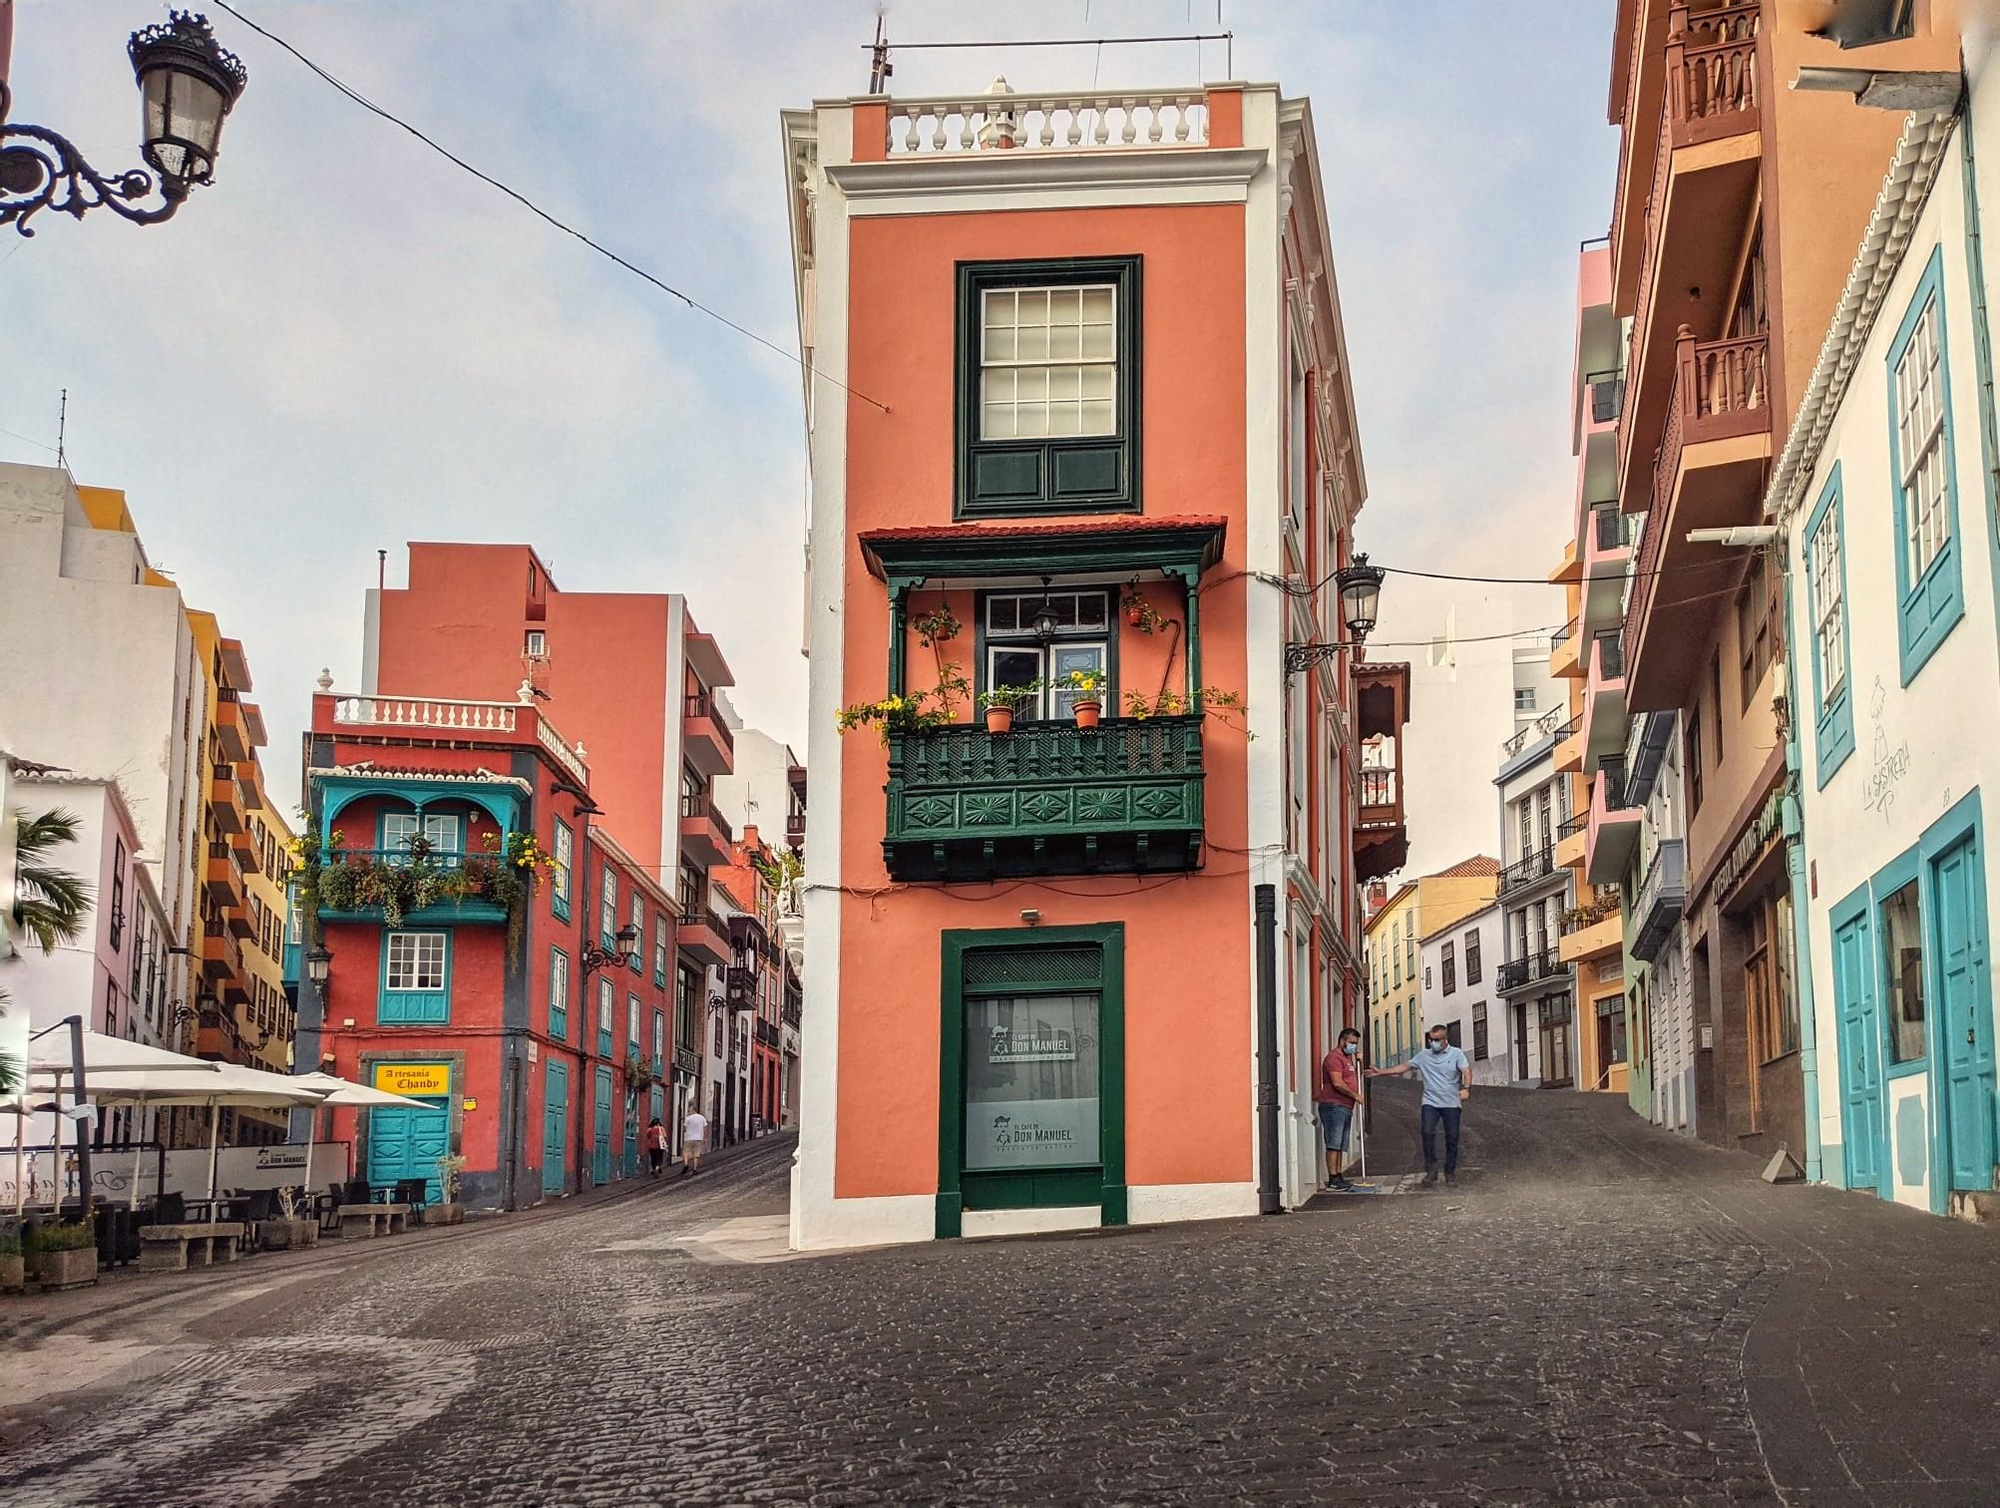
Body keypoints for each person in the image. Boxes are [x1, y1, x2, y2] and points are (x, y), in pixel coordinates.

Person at [1366, 1024, 1471, 1187]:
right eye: (1431, 1039)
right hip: (1430, 1102)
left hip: (1451, 1102)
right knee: (1427, 1132)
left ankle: (1450, 1172)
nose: (1433, 1043)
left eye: (1436, 1040)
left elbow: (1466, 1072)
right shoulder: (1424, 1056)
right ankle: (1431, 1170)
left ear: (1445, 1040)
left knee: (1452, 1137)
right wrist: (1381, 1072)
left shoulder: (1457, 1054)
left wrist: (1466, 1088)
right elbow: (1405, 1066)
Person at [1315, 1026, 1364, 1191]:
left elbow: (1352, 1076)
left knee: (1341, 1143)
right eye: (1351, 1043)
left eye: (1356, 1043)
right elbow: (1337, 1082)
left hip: (1344, 1106)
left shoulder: (1348, 1059)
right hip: (1333, 1105)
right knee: (1334, 1143)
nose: (1354, 1046)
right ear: (1342, 1041)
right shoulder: (1334, 1058)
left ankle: (1339, 1175)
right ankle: (1333, 1177)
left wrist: (1359, 1061)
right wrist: (1355, 1095)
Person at [681, 1104, 708, 1177]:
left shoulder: (688, 1118)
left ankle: (686, 1164)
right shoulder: (702, 1118)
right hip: (698, 1138)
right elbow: (705, 1129)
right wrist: (705, 1138)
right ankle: (695, 1169)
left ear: (692, 1110)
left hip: (689, 1138)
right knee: (696, 1154)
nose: (689, 1111)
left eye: (689, 1110)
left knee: (686, 1152)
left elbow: (684, 1129)